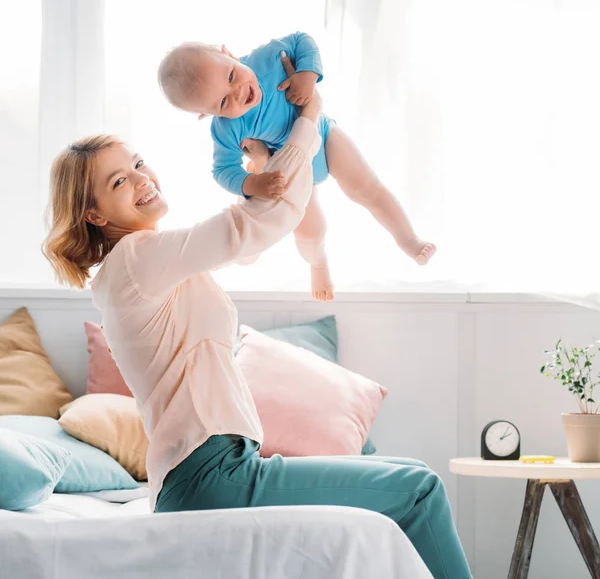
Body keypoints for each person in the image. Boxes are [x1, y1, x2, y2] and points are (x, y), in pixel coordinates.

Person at [43, 78, 470, 579]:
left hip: (212, 471)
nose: (141, 179)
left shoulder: (144, 266)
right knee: (419, 491)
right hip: (210, 475)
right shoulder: (137, 259)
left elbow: (245, 244)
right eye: (118, 181)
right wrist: (307, 125)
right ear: (93, 213)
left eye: (137, 163)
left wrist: (267, 165)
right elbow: (251, 226)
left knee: (416, 476)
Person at [157, 34, 436, 302]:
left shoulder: (267, 59)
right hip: (291, 166)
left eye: (231, 76)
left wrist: (307, 76)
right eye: (223, 102)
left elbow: (302, 41)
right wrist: (253, 183)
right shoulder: (226, 129)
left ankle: (408, 239)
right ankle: (318, 264)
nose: (239, 92)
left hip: (323, 134)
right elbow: (223, 170)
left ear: (228, 54)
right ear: (207, 114)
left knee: (366, 188)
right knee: (310, 230)